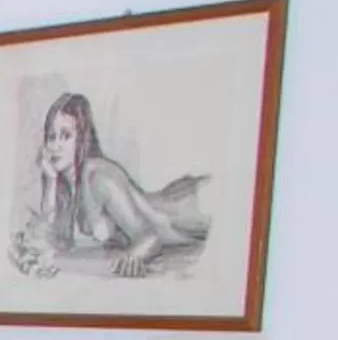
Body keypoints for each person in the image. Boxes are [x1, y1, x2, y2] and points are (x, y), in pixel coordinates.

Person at [23, 92, 209, 279]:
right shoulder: (65, 185)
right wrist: (50, 181)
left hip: (191, 209)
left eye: (66, 136)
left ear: (82, 138)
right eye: (51, 136)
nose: (55, 145)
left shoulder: (98, 176)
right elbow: (52, 241)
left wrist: (134, 255)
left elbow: (150, 238)